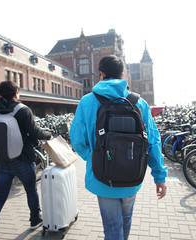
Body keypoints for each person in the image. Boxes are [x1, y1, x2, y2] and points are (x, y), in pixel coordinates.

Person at [69, 55, 167, 240]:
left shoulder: (87, 102)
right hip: (132, 174)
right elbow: (153, 141)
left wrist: (92, 156)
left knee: (112, 229)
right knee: (126, 220)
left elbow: (77, 139)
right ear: (122, 75)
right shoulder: (139, 103)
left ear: (101, 74)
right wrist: (159, 176)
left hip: (102, 177)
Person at [0, 81, 52, 240]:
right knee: (31, 190)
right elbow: (35, 132)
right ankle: (34, 219)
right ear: (15, 93)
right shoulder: (23, 110)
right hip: (23, 159)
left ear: (0, 94)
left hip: (2, 160)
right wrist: (48, 134)